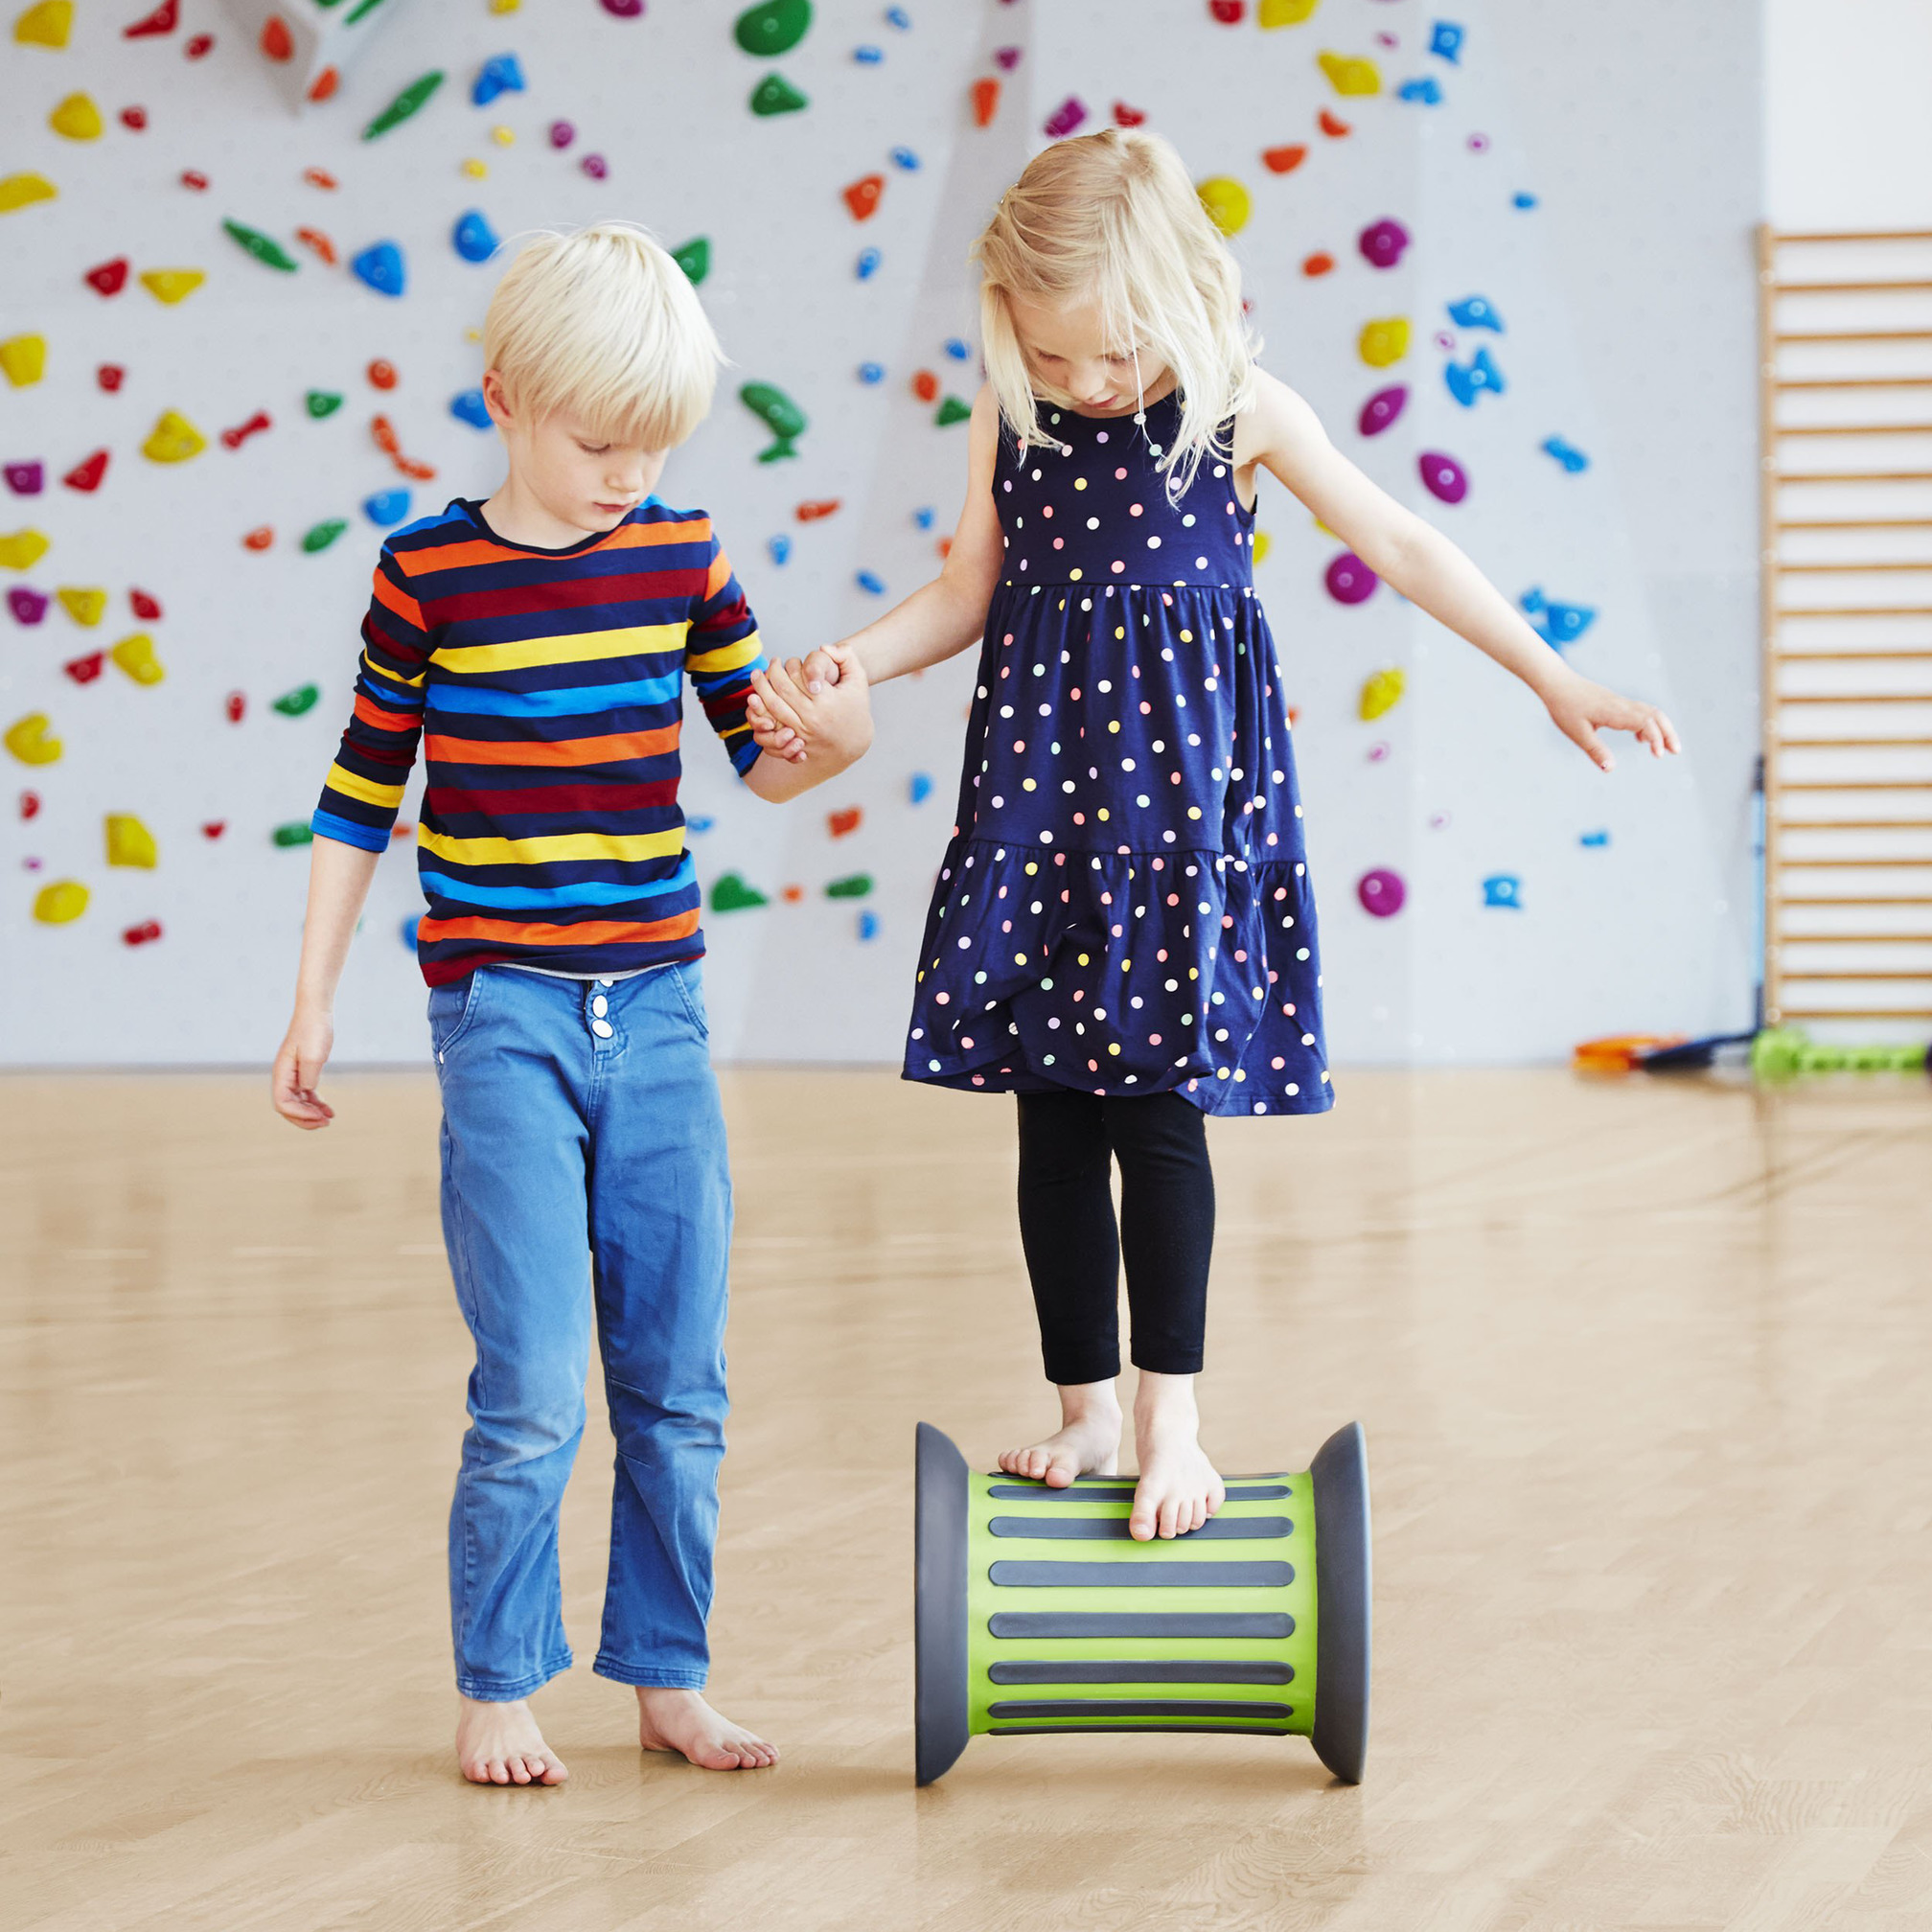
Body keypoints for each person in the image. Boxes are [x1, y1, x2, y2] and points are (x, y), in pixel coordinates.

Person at [747, 130, 1679, 1543]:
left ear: (1183, 299)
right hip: (1043, 803)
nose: (1081, 385)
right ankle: (1084, 1408)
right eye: (1050, 357)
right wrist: (854, 666)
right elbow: (963, 591)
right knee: (1051, 1120)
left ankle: (1171, 1413)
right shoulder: (1018, 407)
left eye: (1105, 358)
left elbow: (1405, 544)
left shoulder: (1241, 410)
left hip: (1176, 823)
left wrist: (1552, 672)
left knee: (1155, 1116)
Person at [269, 222, 870, 1786]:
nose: (628, 472)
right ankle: (498, 1683)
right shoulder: (427, 575)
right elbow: (358, 796)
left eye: (654, 442)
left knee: (680, 1379)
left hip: (657, 1014)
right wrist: (313, 1000)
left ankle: (668, 1674)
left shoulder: (683, 555)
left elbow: (769, 755)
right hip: (505, 1018)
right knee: (533, 1381)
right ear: (508, 401)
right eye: (600, 441)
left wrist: (840, 738)